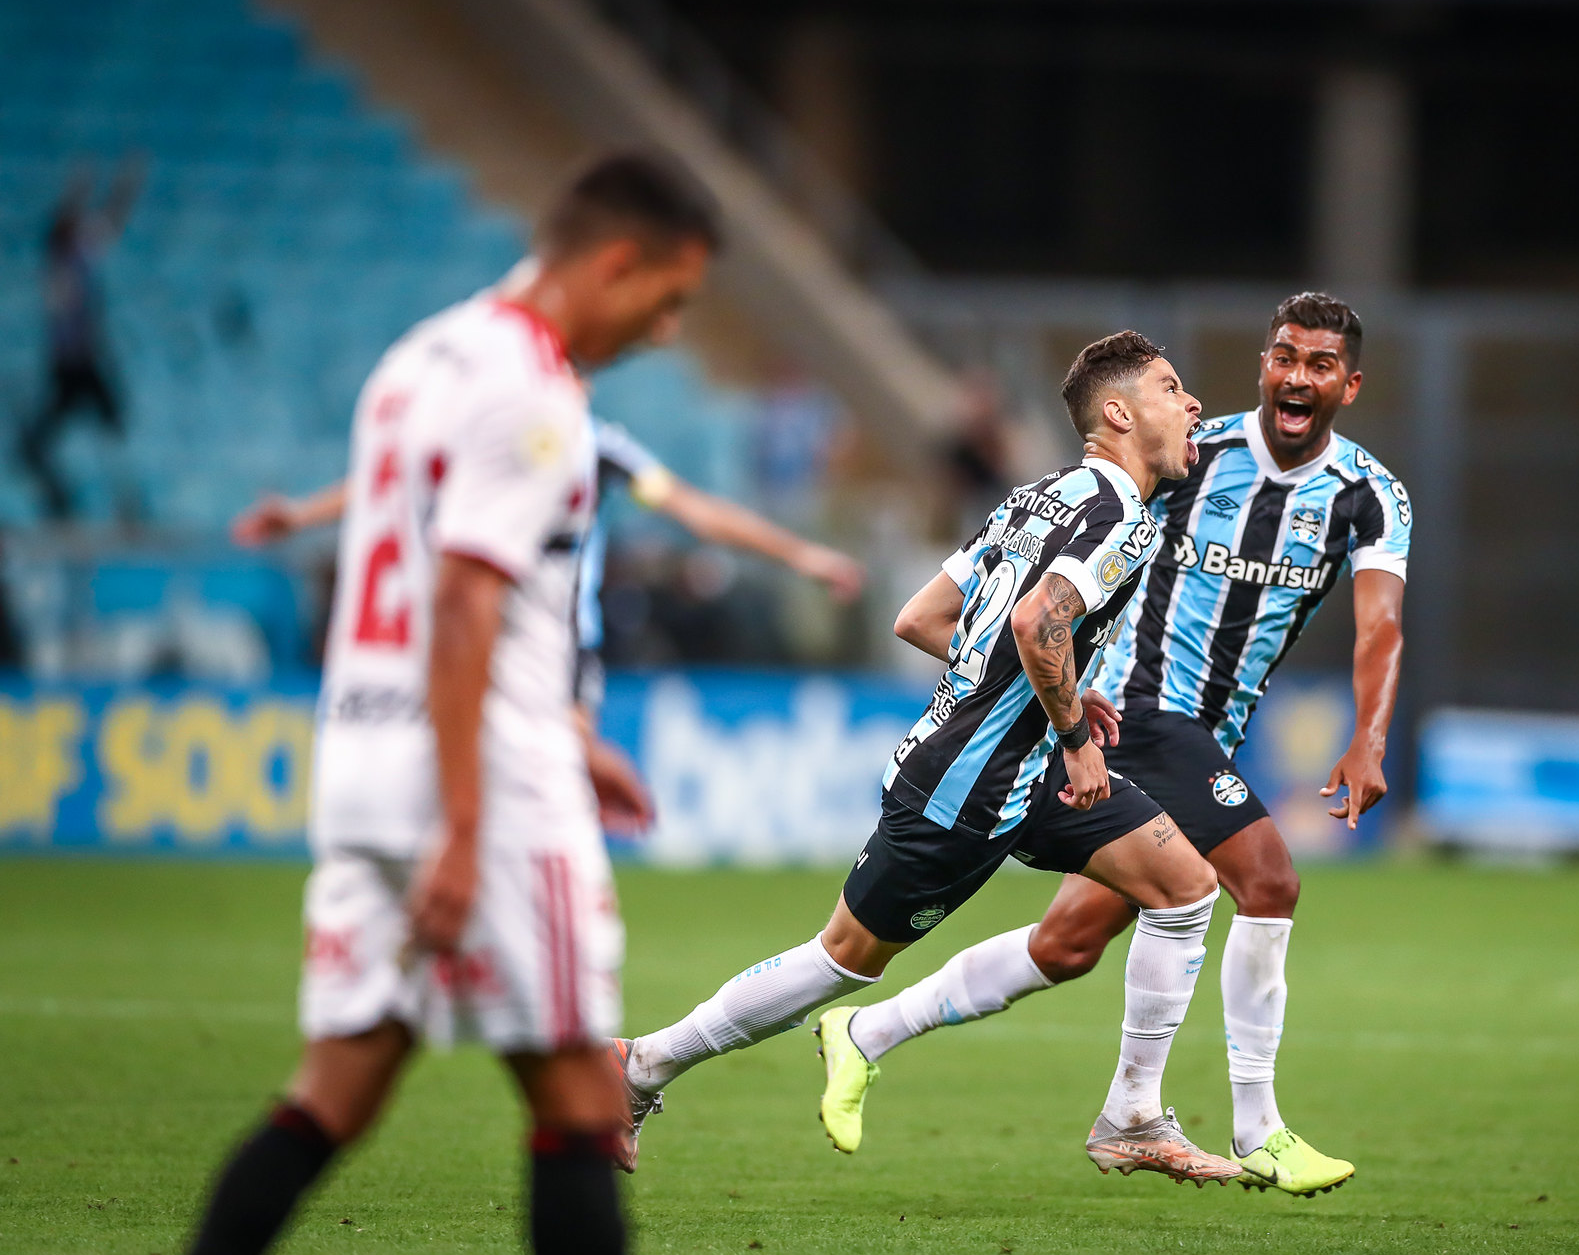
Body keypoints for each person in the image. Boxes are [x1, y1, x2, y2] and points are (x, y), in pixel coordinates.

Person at [168, 151, 720, 1255]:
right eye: (668, 299)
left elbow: (432, 596)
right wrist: (467, 828)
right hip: (482, 789)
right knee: (579, 1095)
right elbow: (466, 600)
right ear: (614, 262)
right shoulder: (536, 395)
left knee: (336, 1090)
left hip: (366, 764)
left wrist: (568, 740)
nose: (668, 332)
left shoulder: (417, 360)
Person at [813, 292, 1410, 1198]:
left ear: (1349, 385)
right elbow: (1087, 510)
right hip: (1134, 706)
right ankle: (1259, 1126)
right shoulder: (1195, 453)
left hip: (1212, 733)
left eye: (1319, 364)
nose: (1295, 376)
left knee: (1068, 944)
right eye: (1283, 355)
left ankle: (870, 1032)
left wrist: (1368, 738)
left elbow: (1379, 630)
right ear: (1263, 365)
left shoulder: (1370, 496)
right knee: (1268, 879)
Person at [614, 331, 1243, 1184]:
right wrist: (1068, 729)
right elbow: (1032, 625)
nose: (1192, 402)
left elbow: (922, 616)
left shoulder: (1037, 497)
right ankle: (643, 1064)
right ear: (1120, 412)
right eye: (1172, 387)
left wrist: (1051, 687)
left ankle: (1132, 1114)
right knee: (843, 957)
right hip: (969, 789)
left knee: (1184, 887)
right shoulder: (1120, 520)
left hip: (1016, 768)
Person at [232, 416, 867, 717]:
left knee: (553, 821)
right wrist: (300, 515)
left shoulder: (596, 445)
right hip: (472, 639)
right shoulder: (482, 432)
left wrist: (801, 555)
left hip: (561, 654)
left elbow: (695, 512)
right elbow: (392, 481)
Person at [20, 163, 139, 519]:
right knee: (50, 437)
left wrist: (123, 188)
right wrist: (80, 191)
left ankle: (123, 504)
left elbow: (110, 223)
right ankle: (63, 499)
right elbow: (68, 223)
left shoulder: (78, 253)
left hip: (84, 361)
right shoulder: (59, 258)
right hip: (69, 363)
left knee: (112, 427)